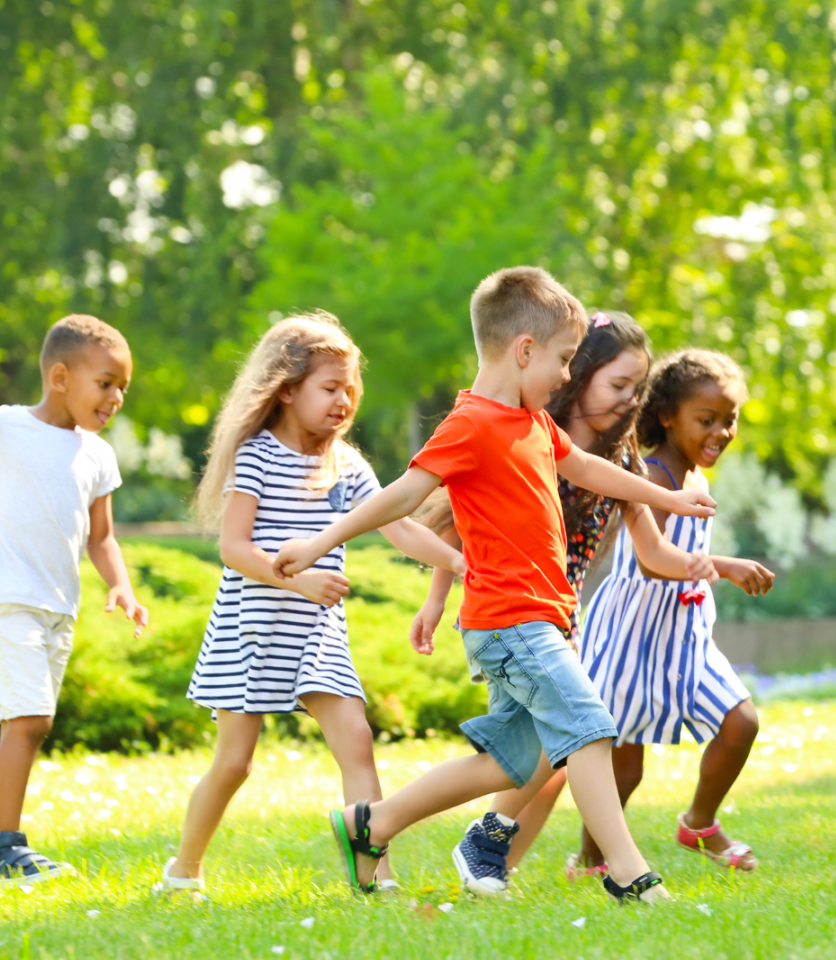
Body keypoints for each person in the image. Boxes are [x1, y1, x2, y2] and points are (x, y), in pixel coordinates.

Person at [273, 267, 716, 904]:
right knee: (589, 727)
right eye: (563, 360)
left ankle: (373, 824)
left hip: (541, 618)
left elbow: (588, 467)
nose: (567, 375)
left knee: (511, 765)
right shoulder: (472, 424)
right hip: (510, 622)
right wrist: (318, 543)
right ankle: (627, 872)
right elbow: (401, 495)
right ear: (524, 350)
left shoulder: (533, 423)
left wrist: (662, 493)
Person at [410, 311, 715, 895]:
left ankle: (469, 850)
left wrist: (710, 563)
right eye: (618, 385)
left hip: (556, 611)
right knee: (571, 741)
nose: (630, 400)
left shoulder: (618, 460)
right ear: (581, 375)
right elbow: (457, 524)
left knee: (539, 757)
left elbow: (652, 551)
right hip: (511, 609)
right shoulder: (526, 430)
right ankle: (595, 870)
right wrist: (435, 597)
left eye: (637, 389)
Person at [157, 313, 463, 897]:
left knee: (356, 740)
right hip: (251, 629)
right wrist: (298, 581)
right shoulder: (258, 455)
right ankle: (184, 869)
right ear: (287, 389)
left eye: (350, 389)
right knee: (235, 763)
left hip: (316, 633)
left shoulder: (346, 465)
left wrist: (459, 563)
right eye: (329, 388)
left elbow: (399, 529)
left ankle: (377, 875)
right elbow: (233, 548)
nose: (343, 400)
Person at [0, 314, 148, 887]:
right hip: (4, 595)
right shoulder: (5, 426)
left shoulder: (98, 456)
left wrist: (120, 584)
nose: (117, 396)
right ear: (59, 377)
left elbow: (102, 538)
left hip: (59, 605)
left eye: (123, 386)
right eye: (106, 383)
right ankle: (6, 848)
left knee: (21, 727)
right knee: (29, 720)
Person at [574, 348, 774, 874]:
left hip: (684, 638)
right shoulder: (654, 477)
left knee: (741, 722)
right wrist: (724, 565)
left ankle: (699, 824)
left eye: (729, 420)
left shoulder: (695, 481)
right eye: (706, 420)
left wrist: (712, 570)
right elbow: (650, 561)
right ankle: (591, 858)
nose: (721, 432)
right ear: (667, 415)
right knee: (625, 769)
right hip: (630, 635)